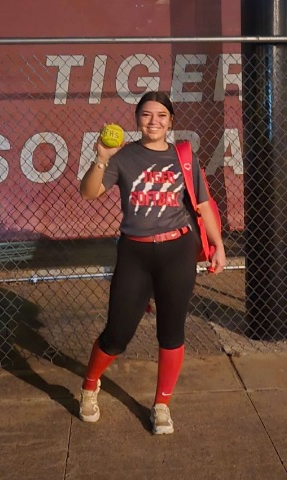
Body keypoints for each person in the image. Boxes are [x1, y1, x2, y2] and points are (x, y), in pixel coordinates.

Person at [78, 91, 226, 435]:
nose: (153, 121)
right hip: (136, 253)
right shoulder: (124, 156)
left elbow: (203, 205)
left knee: (171, 332)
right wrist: (101, 158)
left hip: (178, 252)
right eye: (146, 115)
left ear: (171, 121)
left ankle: (161, 405)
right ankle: (89, 385)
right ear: (137, 120)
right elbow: (88, 192)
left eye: (161, 115)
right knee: (117, 334)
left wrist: (218, 245)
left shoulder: (183, 157)